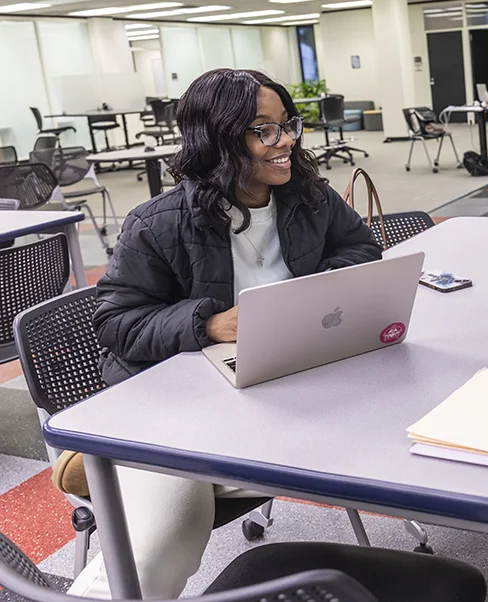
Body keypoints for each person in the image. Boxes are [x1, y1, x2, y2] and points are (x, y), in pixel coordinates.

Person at [71, 69, 382, 599]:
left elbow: (361, 251)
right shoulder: (158, 223)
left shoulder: (311, 197)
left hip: (284, 379)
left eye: (288, 126)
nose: (285, 142)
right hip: (178, 405)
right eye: (264, 130)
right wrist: (209, 324)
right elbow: (114, 321)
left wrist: (315, 297)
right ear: (217, 139)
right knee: (164, 536)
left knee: (390, 437)